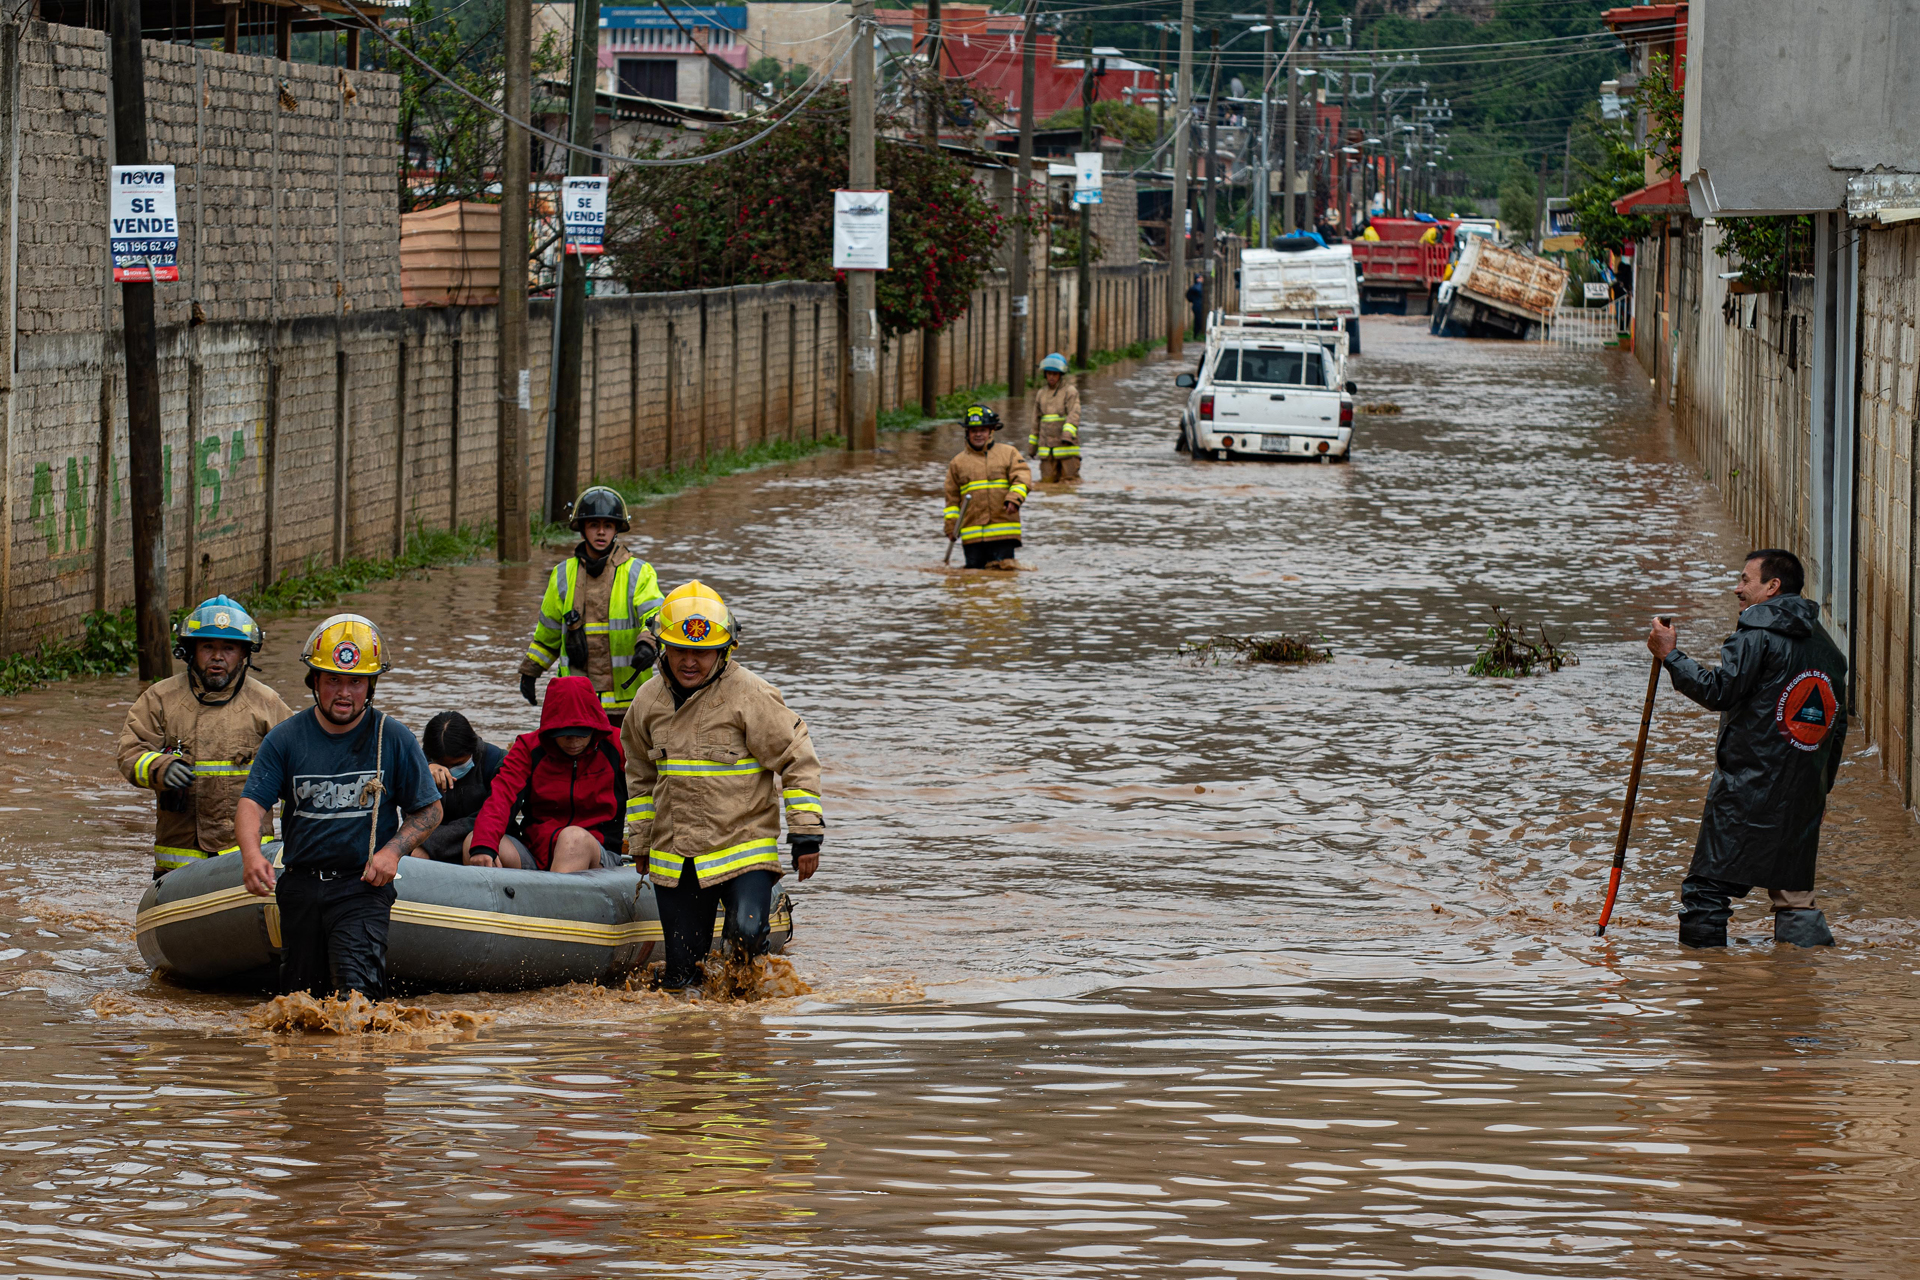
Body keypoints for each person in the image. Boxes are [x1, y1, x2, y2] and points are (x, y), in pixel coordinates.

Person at [622, 582, 823, 991]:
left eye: (702, 652)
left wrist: (805, 832)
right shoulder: (647, 701)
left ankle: (747, 1044)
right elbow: (639, 775)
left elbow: (795, 754)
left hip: (742, 850)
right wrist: (640, 842)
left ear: (724, 650)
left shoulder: (749, 694)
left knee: (746, 939)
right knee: (681, 980)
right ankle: (689, 1048)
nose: (690, 662)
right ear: (663, 646)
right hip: (676, 859)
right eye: (680, 650)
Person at [1648, 549, 1849, 949]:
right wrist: (1820, 790)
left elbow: (1718, 690)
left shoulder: (1757, 634)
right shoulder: (1829, 650)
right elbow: (1833, 727)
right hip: (1800, 791)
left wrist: (1671, 655)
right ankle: (1799, 990)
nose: (1737, 588)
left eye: (1745, 580)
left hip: (1747, 788)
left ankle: (1712, 996)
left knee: (1705, 893)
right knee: (1793, 895)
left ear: (1772, 586)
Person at [236, 614, 441, 999]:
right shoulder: (285, 739)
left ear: (370, 686)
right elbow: (251, 803)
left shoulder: (393, 738)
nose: (344, 692)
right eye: (333, 680)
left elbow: (429, 811)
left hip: (363, 886)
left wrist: (393, 851)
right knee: (300, 1005)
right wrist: (250, 855)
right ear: (314, 682)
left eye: (355, 682)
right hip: (299, 886)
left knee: (356, 1000)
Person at [117, 595, 291, 879]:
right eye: (207, 646)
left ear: (245, 653)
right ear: (190, 650)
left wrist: (293, 841)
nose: (218, 657)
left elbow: (297, 774)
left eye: (229, 648)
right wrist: (159, 767)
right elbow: (129, 753)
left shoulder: (267, 704)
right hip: (178, 863)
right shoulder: (160, 698)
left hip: (247, 859)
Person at [518, 485, 664, 728]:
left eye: (608, 525)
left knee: (624, 763)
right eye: (594, 525)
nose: (601, 532)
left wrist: (648, 644)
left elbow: (656, 615)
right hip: (576, 700)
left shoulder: (639, 572)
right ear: (582, 528)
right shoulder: (562, 574)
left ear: (617, 529)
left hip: (627, 700)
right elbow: (548, 633)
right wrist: (530, 671)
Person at [466, 675, 626, 872]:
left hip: (599, 854)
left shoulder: (618, 746)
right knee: (474, 841)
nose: (574, 742)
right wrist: (484, 847)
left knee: (573, 839)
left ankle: (555, 899)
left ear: (595, 728)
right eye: (565, 735)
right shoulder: (527, 748)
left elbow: (651, 793)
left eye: (582, 733)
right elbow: (501, 797)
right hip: (535, 854)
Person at [412, 712, 508, 863]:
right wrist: (424, 778)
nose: (451, 769)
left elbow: (496, 816)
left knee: (474, 846)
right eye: (444, 765)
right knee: (412, 857)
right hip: (433, 841)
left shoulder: (496, 761)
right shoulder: (420, 764)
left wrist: (431, 845)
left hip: (485, 840)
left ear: (472, 749)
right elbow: (412, 816)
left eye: (458, 764)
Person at [943, 404, 1030, 571]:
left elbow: (1022, 478)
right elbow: (952, 499)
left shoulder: (1009, 453)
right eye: (974, 430)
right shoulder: (957, 463)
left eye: (982, 430)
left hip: (1004, 531)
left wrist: (1014, 498)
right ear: (967, 433)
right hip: (972, 536)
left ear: (991, 430)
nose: (978, 434)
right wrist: (951, 526)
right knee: (973, 584)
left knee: (1004, 582)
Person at [1029, 353, 1082, 483]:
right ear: (1045, 374)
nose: (1051, 377)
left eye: (1055, 374)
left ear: (1061, 374)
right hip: (1047, 452)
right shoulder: (1041, 394)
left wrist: (1067, 435)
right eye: (1049, 373)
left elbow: (1074, 414)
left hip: (1066, 449)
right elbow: (1035, 421)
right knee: (1047, 484)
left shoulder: (1070, 391)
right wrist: (1032, 447)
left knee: (1069, 483)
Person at [1185, 274, 1207, 339]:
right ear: (1198, 279)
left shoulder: (1194, 287)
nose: (1202, 279)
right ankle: (1197, 334)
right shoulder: (1198, 287)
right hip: (1198, 306)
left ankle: (1196, 334)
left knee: (1197, 320)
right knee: (1199, 320)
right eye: (1201, 278)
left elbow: (1188, 296)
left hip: (1196, 305)